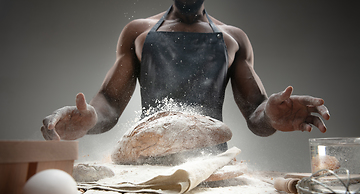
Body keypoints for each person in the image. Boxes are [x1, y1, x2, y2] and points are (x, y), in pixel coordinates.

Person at [41, 0, 330, 143]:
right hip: (144, 163)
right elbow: (110, 101)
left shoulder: (233, 38)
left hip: (211, 171)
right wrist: (89, 118)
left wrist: (270, 114)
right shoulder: (138, 32)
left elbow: (256, 112)